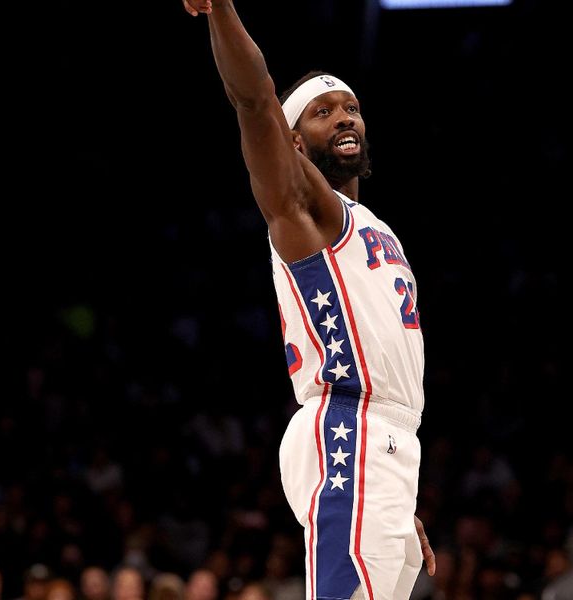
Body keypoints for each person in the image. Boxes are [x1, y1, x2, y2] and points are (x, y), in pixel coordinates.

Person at [182, 2, 436, 599]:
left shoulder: (371, 223)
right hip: (349, 428)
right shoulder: (303, 209)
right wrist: (220, 9)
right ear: (293, 141)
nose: (344, 118)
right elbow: (254, 102)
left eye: (351, 107)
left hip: (382, 451)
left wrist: (392, 495)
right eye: (322, 113)